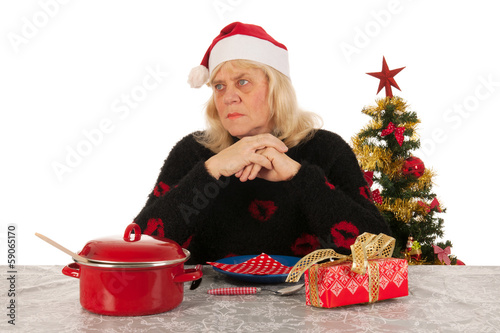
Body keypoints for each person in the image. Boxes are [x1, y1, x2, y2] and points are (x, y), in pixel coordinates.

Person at [132, 22, 391, 264]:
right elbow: (138, 248)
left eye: (242, 82)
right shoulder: (193, 152)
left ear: (276, 89)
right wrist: (210, 171)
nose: (228, 97)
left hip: (306, 306)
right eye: (219, 86)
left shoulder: (326, 149)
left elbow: (380, 249)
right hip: (210, 306)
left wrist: (298, 176)